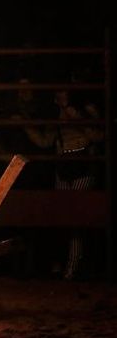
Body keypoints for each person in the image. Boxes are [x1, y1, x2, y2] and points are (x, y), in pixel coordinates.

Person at [23, 86, 104, 279]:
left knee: (74, 220)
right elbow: (45, 142)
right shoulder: (55, 114)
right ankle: (61, 265)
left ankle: (72, 270)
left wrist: (75, 117)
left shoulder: (85, 110)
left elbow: (97, 136)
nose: (58, 97)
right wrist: (26, 126)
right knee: (61, 218)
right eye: (57, 94)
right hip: (63, 168)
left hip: (82, 167)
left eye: (62, 93)